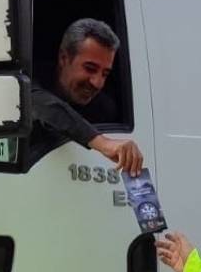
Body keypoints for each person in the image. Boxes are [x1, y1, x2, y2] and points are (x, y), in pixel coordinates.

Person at [29, 18, 143, 174]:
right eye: (90, 68)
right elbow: (40, 103)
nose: (97, 83)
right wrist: (103, 143)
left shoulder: (103, 108)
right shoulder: (32, 79)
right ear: (64, 58)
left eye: (105, 74)